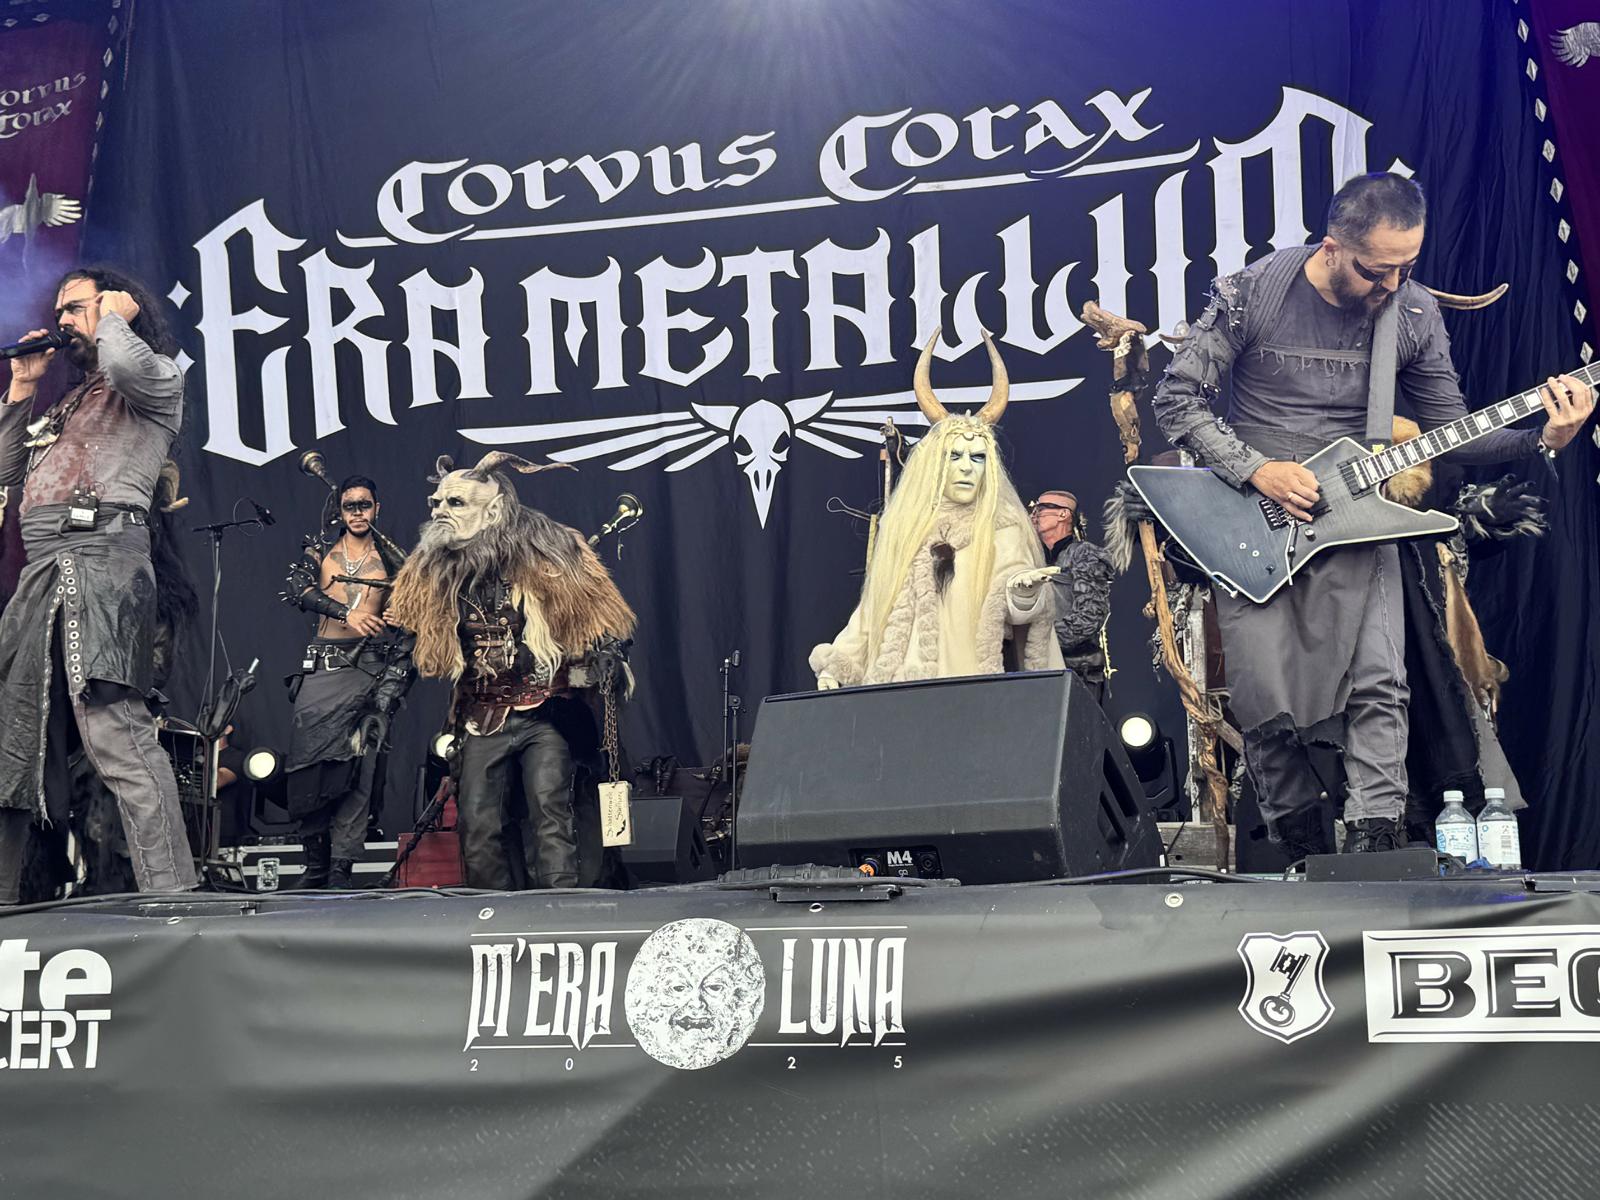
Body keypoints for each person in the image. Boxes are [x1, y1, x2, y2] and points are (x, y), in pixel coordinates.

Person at [1152, 172, 1594, 857]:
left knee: (1381, 683)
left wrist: (1544, 437)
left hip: (1362, 516)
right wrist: (1257, 469)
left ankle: (1375, 844)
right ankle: (1301, 852)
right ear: (1332, 247)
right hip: (1256, 518)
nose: (1391, 284)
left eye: (1406, 267)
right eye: (1376, 269)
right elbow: (1176, 400)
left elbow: (1453, 433)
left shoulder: (1412, 313)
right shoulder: (1253, 292)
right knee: (1266, 698)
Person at [0, 266, 198, 902]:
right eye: (59, 310)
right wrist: (22, 388)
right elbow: (6, 472)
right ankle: (13, 897)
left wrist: (114, 317)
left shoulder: (156, 380)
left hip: (103, 561)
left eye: (76, 307)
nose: (62, 320)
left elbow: (129, 367)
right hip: (41, 572)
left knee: (115, 731)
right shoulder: (69, 402)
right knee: (14, 735)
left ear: (119, 306)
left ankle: (172, 895)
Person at [385, 451, 635, 890]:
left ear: (494, 509)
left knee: (551, 812)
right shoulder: (429, 570)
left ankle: (562, 908)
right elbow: (410, 638)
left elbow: (600, 617)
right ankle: (493, 912)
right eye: (435, 502)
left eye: (455, 503)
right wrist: (384, 697)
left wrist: (608, 654)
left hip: (547, 710)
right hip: (483, 715)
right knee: (477, 824)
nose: (439, 511)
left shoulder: (551, 549)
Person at [810, 331, 1063, 688]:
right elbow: (870, 613)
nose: (966, 468)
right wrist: (837, 667)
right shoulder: (907, 531)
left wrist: (1022, 592)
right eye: (954, 456)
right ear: (934, 464)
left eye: (977, 458)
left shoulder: (1001, 530)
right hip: (898, 694)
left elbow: (1015, 601)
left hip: (966, 692)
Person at [280, 475, 413, 888]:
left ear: (377, 508)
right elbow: (296, 590)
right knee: (307, 767)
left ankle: (341, 868)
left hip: (367, 670)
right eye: (350, 505)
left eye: (364, 505)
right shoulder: (320, 548)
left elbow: (414, 623)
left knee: (359, 769)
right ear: (339, 510)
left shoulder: (394, 559)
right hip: (322, 668)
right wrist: (346, 613)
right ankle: (315, 865)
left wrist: (400, 614)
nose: (357, 512)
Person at [1029, 489, 1114, 700]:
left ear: (1063, 514)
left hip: (1077, 674)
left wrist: (1042, 638)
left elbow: (1090, 616)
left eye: (1040, 509)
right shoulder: (1034, 559)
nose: (1034, 515)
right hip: (1041, 671)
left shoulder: (1084, 554)